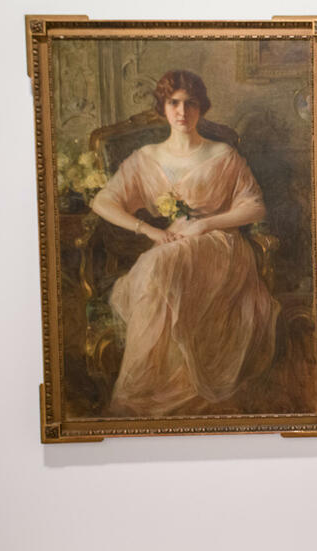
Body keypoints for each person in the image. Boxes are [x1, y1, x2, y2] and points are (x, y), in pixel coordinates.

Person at [91, 69, 280, 416]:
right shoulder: (146, 157)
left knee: (157, 265)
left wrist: (206, 224)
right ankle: (151, 390)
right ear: (163, 107)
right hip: (171, 243)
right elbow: (102, 202)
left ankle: (144, 393)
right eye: (174, 103)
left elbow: (254, 206)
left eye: (190, 103)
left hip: (220, 247)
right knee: (157, 269)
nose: (182, 111)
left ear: (201, 107)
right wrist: (147, 230)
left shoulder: (222, 154)